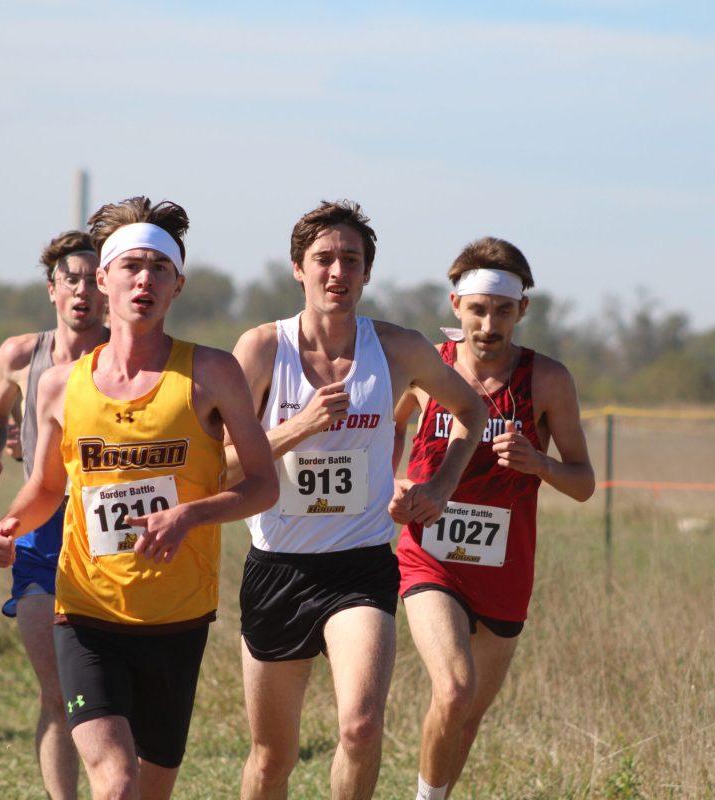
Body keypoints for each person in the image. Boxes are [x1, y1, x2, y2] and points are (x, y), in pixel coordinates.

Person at [0, 196, 277, 800]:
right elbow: (44, 488)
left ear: (177, 286)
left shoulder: (212, 373)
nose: (144, 279)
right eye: (131, 267)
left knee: (149, 790)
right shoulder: (59, 385)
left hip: (177, 617)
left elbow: (261, 484)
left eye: (159, 269)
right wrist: (9, 525)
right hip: (86, 611)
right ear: (102, 279)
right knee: (114, 784)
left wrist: (190, 514)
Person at [228, 200, 487, 800]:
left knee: (362, 726)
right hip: (278, 568)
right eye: (323, 259)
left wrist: (441, 487)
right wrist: (301, 427)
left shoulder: (398, 349)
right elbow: (220, 461)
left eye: (351, 260)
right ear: (298, 268)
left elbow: (473, 410)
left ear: (368, 273)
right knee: (272, 757)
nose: (337, 273)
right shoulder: (264, 349)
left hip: (360, 565)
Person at [393, 237, 595, 800]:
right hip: (428, 556)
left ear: (522, 310)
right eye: (477, 308)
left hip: (505, 565)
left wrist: (539, 464)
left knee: (469, 714)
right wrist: (395, 482)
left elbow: (584, 483)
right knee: (455, 690)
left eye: (503, 310)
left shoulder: (547, 381)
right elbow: (386, 429)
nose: (488, 323)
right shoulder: (425, 367)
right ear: (456, 306)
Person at [0, 231, 108, 799]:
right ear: (52, 288)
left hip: (105, 533)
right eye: (69, 278)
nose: (80, 290)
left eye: (90, 279)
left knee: (103, 694)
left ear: (108, 288)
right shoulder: (20, 354)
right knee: (56, 693)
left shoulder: (121, 357)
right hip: (39, 535)